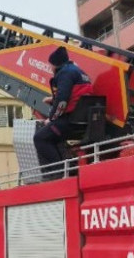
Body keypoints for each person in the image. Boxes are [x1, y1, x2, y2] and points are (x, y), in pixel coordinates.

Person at [33, 46, 93, 180]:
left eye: (50, 65)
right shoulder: (79, 72)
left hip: (71, 121)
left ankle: (59, 172)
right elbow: (75, 94)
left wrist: (51, 119)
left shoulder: (64, 73)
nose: (50, 68)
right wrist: (52, 99)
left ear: (55, 64)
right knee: (52, 136)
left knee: (40, 138)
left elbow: (62, 101)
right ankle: (67, 168)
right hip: (84, 119)